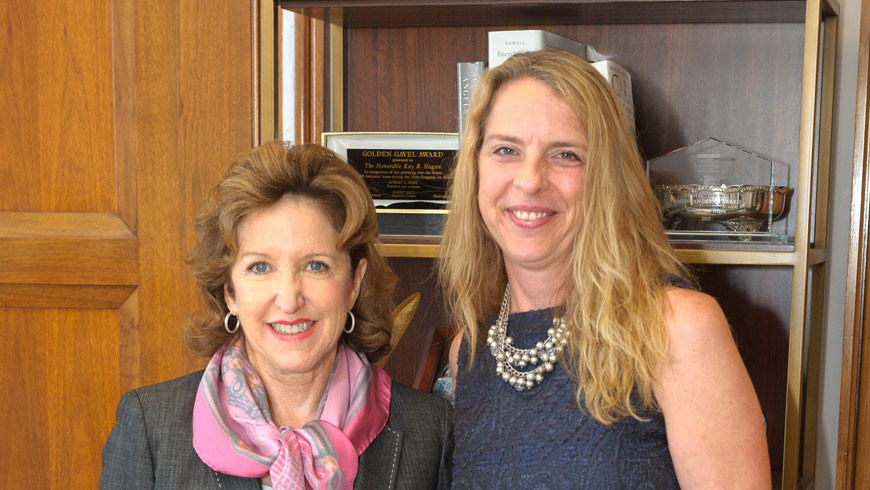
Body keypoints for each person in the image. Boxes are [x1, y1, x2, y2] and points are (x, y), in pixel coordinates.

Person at [440, 49, 770, 488]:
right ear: (475, 170)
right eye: (505, 150)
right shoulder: (471, 351)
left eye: (566, 155)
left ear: (606, 177)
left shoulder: (678, 329)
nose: (530, 179)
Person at [101, 142, 453, 489]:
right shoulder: (151, 427)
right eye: (260, 267)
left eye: (316, 265)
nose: (288, 299)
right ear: (229, 292)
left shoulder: (430, 431)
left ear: (353, 285)